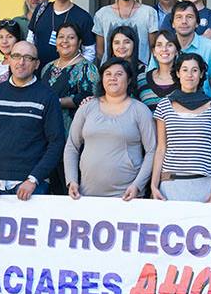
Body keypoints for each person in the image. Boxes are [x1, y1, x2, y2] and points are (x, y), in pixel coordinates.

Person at [0, 41, 66, 201]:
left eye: (28, 58)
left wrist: (34, 179)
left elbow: (56, 143)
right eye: (16, 56)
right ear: (9, 59)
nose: (21, 62)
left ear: (36, 64)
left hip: (32, 187)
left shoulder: (47, 97)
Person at [64, 58, 156, 200]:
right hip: (87, 194)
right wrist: (72, 180)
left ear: (129, 80)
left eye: (119, 74)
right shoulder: (87, 108)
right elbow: (72, 147)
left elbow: (152, 150)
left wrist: (138, 185)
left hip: (128, 196)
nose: (113, 78)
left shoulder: (140, 110)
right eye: (108, 74)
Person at [150, 53, 211, 202]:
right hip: (171, 184)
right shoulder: (164, 106)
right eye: (184, 70)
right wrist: (154, 185)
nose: (189, 75)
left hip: (205, 185)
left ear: (201, 74)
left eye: (195, 70)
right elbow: (161, 148)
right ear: (178, 73)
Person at [41, 22, 99, 194]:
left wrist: (55, 102)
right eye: (61, 37)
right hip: (47, 136)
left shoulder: (87, 68)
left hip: (73, 136)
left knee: (71, 186)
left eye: (71, 37)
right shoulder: (47, 68)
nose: (65, 41)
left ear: (79, 42)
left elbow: (89, 99)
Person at [147, 1, 211, 97]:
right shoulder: (163, 49)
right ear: (172, 24)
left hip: (203, 102)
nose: (184, 21)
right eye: (179, 17)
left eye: (189, 17)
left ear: (197, 23)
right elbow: (151, 77)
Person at [93, 0, 158, 65]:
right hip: (110, 72)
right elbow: (100, 52)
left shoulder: (149, 13)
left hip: (141, 73)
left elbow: (152, 48)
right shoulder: (102, 14)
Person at [27, 0, 96, 65]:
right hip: (38, 71)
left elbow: (89, 52)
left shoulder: (83, 17)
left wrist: (76, 71)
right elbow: (30, 40)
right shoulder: (40, 10)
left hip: (68, 73)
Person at [137, 30, 180, 111]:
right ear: (154, 52)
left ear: (176, 51)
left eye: (169, 45)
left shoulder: (186, 79)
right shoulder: (141, 80)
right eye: (159, 45)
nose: (164, 49)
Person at [0, 19, 22, 86]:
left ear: (17, 39)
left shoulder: (21, 65)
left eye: (9, 37)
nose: (4, 41)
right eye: (0, 37)